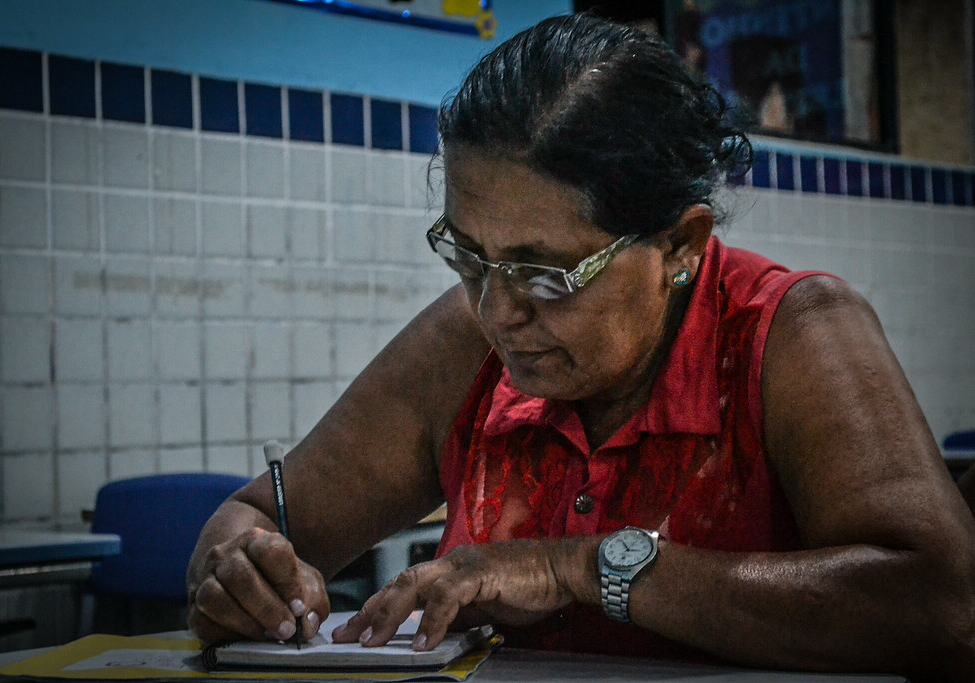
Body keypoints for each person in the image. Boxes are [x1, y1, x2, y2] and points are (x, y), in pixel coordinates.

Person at [186, 14, 975, 681]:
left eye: (547, 272)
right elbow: (258, 514)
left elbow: (945, 607)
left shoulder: (791, 335)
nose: (498, 310)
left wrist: (580, 566)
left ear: (680, 245)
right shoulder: (462, 349)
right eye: (468, 256)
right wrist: (238, 569)